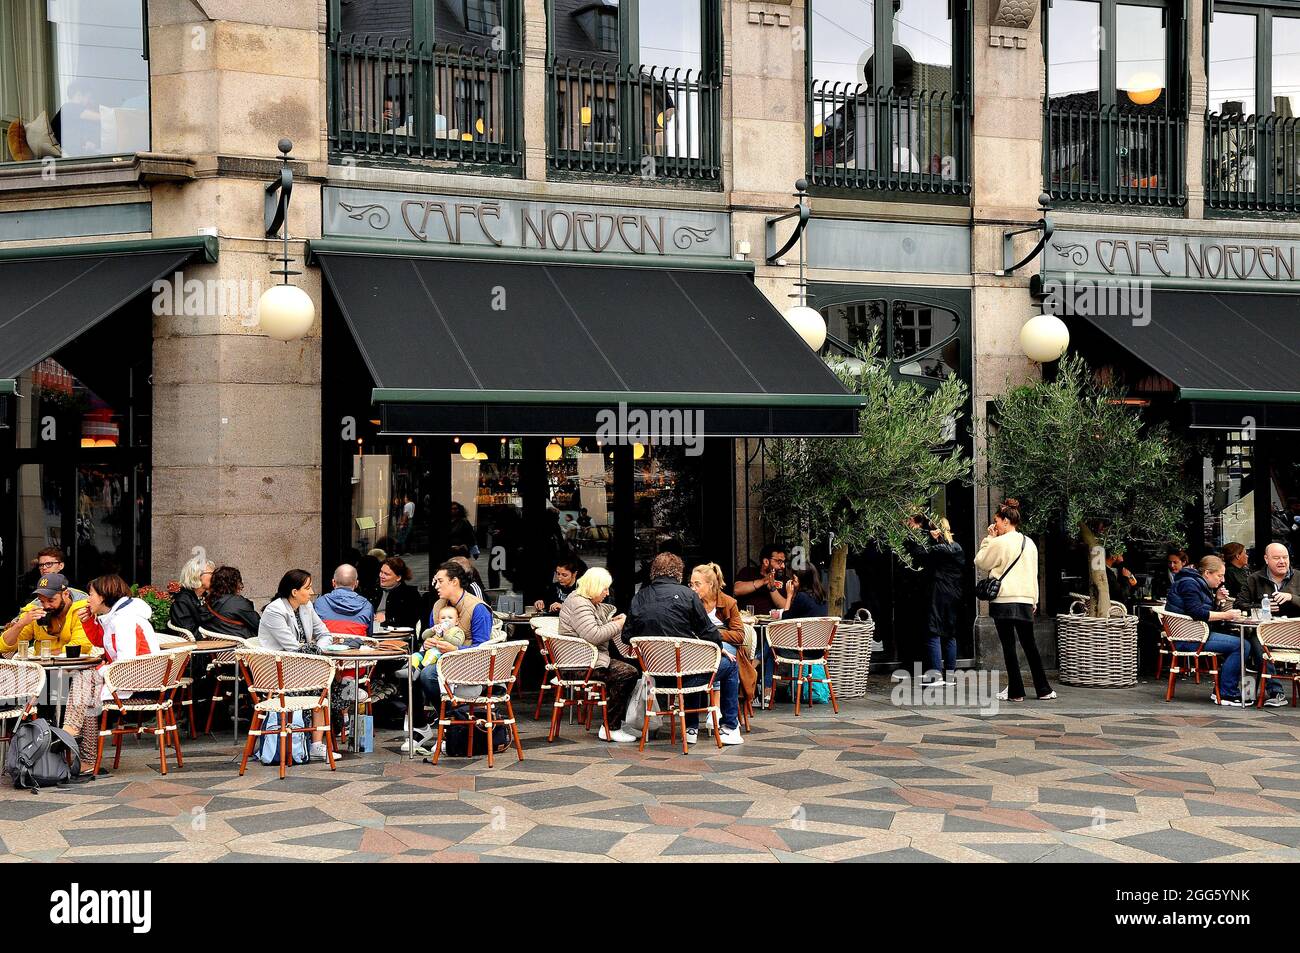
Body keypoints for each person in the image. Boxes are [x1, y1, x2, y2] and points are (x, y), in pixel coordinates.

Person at [626, 552, 743, 746]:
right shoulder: (688, 596)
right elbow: (710, 634)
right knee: (728, 665)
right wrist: (716, 649)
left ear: (653, 572)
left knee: (689, 664)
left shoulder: (639, 598)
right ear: (678, 574)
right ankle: (730, 726)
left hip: (655, 677)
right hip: (688, 675)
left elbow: (626, 637)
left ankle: (691, 729)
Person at [63, 575, 161, 766]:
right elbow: (104, 643)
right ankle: (84, 755)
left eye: (90, 594)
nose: (87, 599)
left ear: (103, 596)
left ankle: (72, 734)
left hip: (139, 681)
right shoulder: (117, 617)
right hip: (134, 677)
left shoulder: (124, 620)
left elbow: (127, 662)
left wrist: (100, 669)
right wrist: (89, 622)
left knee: (85, 678)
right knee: (88, 694)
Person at [409, 562, 497, 754]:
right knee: (409, 671)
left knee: (428, 675)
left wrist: (455, 648)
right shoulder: (438, 605)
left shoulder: (478, 608)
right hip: (441, 658)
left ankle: (452, 725)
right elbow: (432, 634)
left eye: (440, 581)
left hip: (469, 665)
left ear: (454, 581)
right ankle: (421, 727)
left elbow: (483, 648)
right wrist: (428, 643)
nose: (436, 585)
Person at [975, 499, 1056, 702]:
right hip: (1025, 599)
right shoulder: (1029, 543)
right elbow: (1033, 573)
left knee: (1009, 646)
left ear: (1005, 521)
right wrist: (1034, 599)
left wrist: (989, 539)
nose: (995, 525)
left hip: (1004, 600)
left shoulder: (999, 542)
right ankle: (1043, 689)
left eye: (996, 521)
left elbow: (981, 561)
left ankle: (1016, 692)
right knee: (1030, 645)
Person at [1165, 555, 1274, 705]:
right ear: (1207, 573)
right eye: (1219, 575)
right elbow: (1196, 613)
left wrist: (1216, 599)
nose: (1222, 580)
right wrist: (1226, 615)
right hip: (1188, 639)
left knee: (1242, 643)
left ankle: (1223, 690)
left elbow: (1199, 610)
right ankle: (1226, 694)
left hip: (1195, 634)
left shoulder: (1194, 582)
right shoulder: (1190, 584)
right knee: (1242, 645)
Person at [258, 570, 341, 758]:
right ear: (294, 591)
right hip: (279, 671)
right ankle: (315, 743)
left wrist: (317, 651)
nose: (311, 592)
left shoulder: (306, 606)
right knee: (324, 685)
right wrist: (316, 655)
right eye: (308, 587)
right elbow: (292, 648)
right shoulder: (275, 610)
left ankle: (316, 745)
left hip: (303, 667)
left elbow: (325, 634)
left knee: (326, 684)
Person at [558, 567, 640, 743]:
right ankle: (611, 727)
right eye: (604, 588)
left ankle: (616, 722)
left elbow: (593, 628)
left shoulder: (585, 602)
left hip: (587, 659)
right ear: (594, 587)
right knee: (627, 673)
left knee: (629, 667)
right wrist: (619, 625)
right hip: (579, 664)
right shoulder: (579, 603)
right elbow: (593, 635)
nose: (607, 592)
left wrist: (612, 622)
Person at [689, 563, 757, 719]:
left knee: (720, 655)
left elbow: (739, 635)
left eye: (697, 584)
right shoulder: (690, 603)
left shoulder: (728, 602)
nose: (693, 588)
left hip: (725, 646)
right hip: (699, 646)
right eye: (691, 584)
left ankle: (716, 708)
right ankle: (701, 717)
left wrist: (714, 634)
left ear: (710, 584)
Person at [1, 573, 93, 656]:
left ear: (65, 594)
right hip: (41, 670)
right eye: (42, 601)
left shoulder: (82, 610)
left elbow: (81, 646)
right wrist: (20, 624)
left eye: (51, 600)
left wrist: (45, 655)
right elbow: (3, 647)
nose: (46, 606)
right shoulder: (35, 610)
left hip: (74, 668)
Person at [921, 517, 965, 687]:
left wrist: (929, 540)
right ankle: (950, 675)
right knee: (950, 633)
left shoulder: (937, 549)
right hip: (954, 593)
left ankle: (935, 675)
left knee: (933, 631)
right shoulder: (957, 547)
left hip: (938, 592)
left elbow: (922, 556)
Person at [1234, 543, 1300, 618]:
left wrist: (1291, 597)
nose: (1282, 561)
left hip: (1295, 627)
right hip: (1264, 628)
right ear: (1266, 559)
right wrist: (1261, 607)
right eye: (1276, 558)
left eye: (1285, 557)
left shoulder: (1298, 576)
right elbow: (1238, 605)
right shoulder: (1254, 579)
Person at [314, 564, 375, 637]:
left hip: (327, 646)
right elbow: (369, 636)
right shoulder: (367, 606)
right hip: (357, 647)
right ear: (356, 583)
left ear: (333, 582)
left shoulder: (319, 603)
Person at [204, 566, 261, 638]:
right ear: (233, 584)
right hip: (244, 644)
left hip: (218, 643)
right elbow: (260, 626)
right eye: (239, 582)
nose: (241, 586)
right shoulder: (238, 602)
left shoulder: (208, 601)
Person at [733, 544, 790, 615]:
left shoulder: (785, 580)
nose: (783, 566)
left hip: (772, 623)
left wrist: (772, 588)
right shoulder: (748, 572)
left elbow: (784, 607)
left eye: (784, 562)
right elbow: (737, 590)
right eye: (779, 562)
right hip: (748, 622)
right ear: (766, 562)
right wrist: (763, 581)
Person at [372, 557, 422, 630]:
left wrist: (387, 619)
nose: (381, 576)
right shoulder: (374, 590)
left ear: (398, 577)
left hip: (397, 636)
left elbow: (409, 620)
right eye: (381, 572)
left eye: (386, 574)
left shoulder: (410, 594)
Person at [169, 555, 214, 635]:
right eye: (211, 573)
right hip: (194, 645)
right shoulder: (182, 600)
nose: (215, 577)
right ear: (197, 575)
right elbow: (189, 631)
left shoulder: (205, 597)